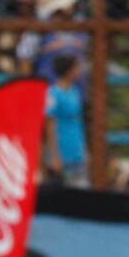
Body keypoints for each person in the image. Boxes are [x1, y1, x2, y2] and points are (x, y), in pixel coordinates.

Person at [44, 53, 88, 188]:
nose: (79, 70)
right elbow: (50, 125)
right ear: (69, 70)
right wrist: (54, 156)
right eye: (76, 67)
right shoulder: (53, 93)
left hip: (77, 150)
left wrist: (84, 149)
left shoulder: (75, 91)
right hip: (62, 152)